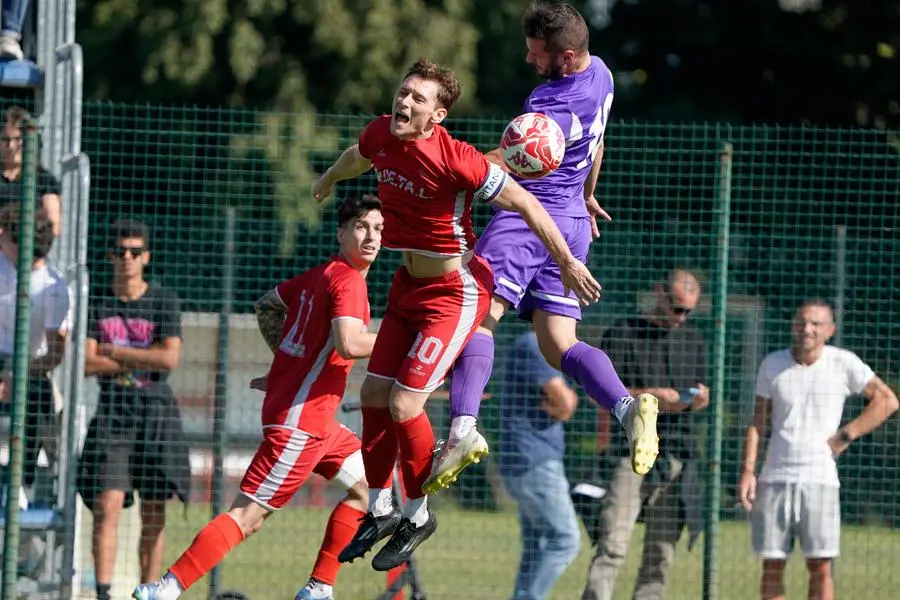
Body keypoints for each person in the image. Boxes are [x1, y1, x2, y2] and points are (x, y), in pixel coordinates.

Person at [313, 57, 602, 570]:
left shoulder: (459, 160)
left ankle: (418, 514)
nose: (404, 102)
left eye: (418, 99)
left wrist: (567, 262)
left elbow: (530, 207)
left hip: (454, 291)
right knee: (373, 394)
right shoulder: (382, 132)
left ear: (438, 115)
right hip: (406, 286)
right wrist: (329, 179)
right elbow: (357, 157)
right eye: (403, 92)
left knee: (405, 404)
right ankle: (381, 507)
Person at [425, 2, 659, 495]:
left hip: (527, 219)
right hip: (572, 218)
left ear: (567, 55)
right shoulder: (602, 73)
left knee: (477, 316)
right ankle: (626, 406)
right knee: (559, 344)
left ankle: (462, 431)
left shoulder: (550, 104)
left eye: (538, 54)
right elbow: (596, 145)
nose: (531, 61)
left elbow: (503, 163)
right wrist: (589, 193)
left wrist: (440, 165)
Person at [132, 195, 385, 600]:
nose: (371, 236)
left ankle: (319, 588)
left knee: (371, 487)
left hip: (317, 422)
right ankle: (166, 588)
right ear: (341, 233)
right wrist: (405, 341)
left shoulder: (321, 275)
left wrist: (287, 367)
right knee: (247, 517)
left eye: (378, 228)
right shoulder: (348, 279)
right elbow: (350, 342)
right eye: (361, 226)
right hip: (302, 425)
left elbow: (268, 305)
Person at [738, 299, 898, 600]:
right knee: (772, 565)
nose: (807, 329)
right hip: (774, 479)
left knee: (820, 565)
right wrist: (748, 471)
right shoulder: (772, 364)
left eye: (815, 324)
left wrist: (846, 435)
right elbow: (757, 422)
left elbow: (887, 400)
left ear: (830, 330)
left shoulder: (844, 363)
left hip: (820, 479)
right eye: (801, 323)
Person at [77, 219, 191, 600]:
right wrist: (144, 357)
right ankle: (104, 592)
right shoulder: (98, 302)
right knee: (106, 505)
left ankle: (149, 590)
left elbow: (169, 359)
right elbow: (88, 364)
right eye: (121, 252)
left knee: (154, 512)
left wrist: (116, 352)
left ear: (147, 257)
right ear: (111, 256)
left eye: (135, 252)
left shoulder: (164, 301)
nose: (128, 259)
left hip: (157, 413)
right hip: (113, 412)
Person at [581, 269, 709, 600]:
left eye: (689, 311)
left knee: (661, 553)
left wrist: (695, 400)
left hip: (677, 455)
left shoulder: (694, 338)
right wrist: (652, 397)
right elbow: (600, 394)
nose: (682, 317)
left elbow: (702, 396)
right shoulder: (623, 333)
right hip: (630, 452)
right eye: (677, 308)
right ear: (659, 294)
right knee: (612, 544)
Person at [498, 327, 582, 600]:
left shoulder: (541, 348)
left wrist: (566, 401)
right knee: (566, 540)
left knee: (539, 544)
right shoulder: (534, 346)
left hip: (533, 457)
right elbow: (566, 404)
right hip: (535, 459)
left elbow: (565, 402)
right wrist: (566, 401)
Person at [0, 204, 71, 491]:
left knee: (38, 401)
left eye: (4, 233)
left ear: (20, 243)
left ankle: (19, 487)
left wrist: (15, 375)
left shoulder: (53, 288)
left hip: (29, 368)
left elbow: (54, 353)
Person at [0, 107, 62, 236]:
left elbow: (54, 226)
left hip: (31, 247)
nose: (11, 146)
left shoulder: (44, 179)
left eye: (18, 139)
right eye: (5, 140)